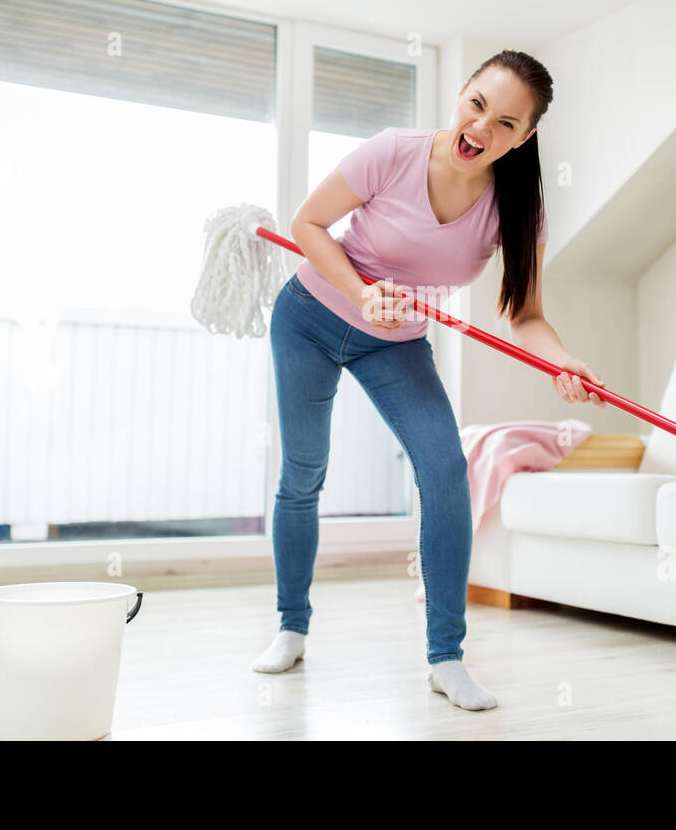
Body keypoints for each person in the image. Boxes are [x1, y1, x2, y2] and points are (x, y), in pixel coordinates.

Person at [253, 49, 607, 711]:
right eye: (477, 105)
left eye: (505, 123)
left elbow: (524, 315)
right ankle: (290, 626)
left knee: (445, 470)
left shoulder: (516, 209)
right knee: (304, 470)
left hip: (395, 342)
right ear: (460, 94)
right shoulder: (394, 152)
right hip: (309, 317)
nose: (481, 129)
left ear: (524, 137)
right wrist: (360, 295)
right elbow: (306, 223)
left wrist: (562, 361)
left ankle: (447, 657)